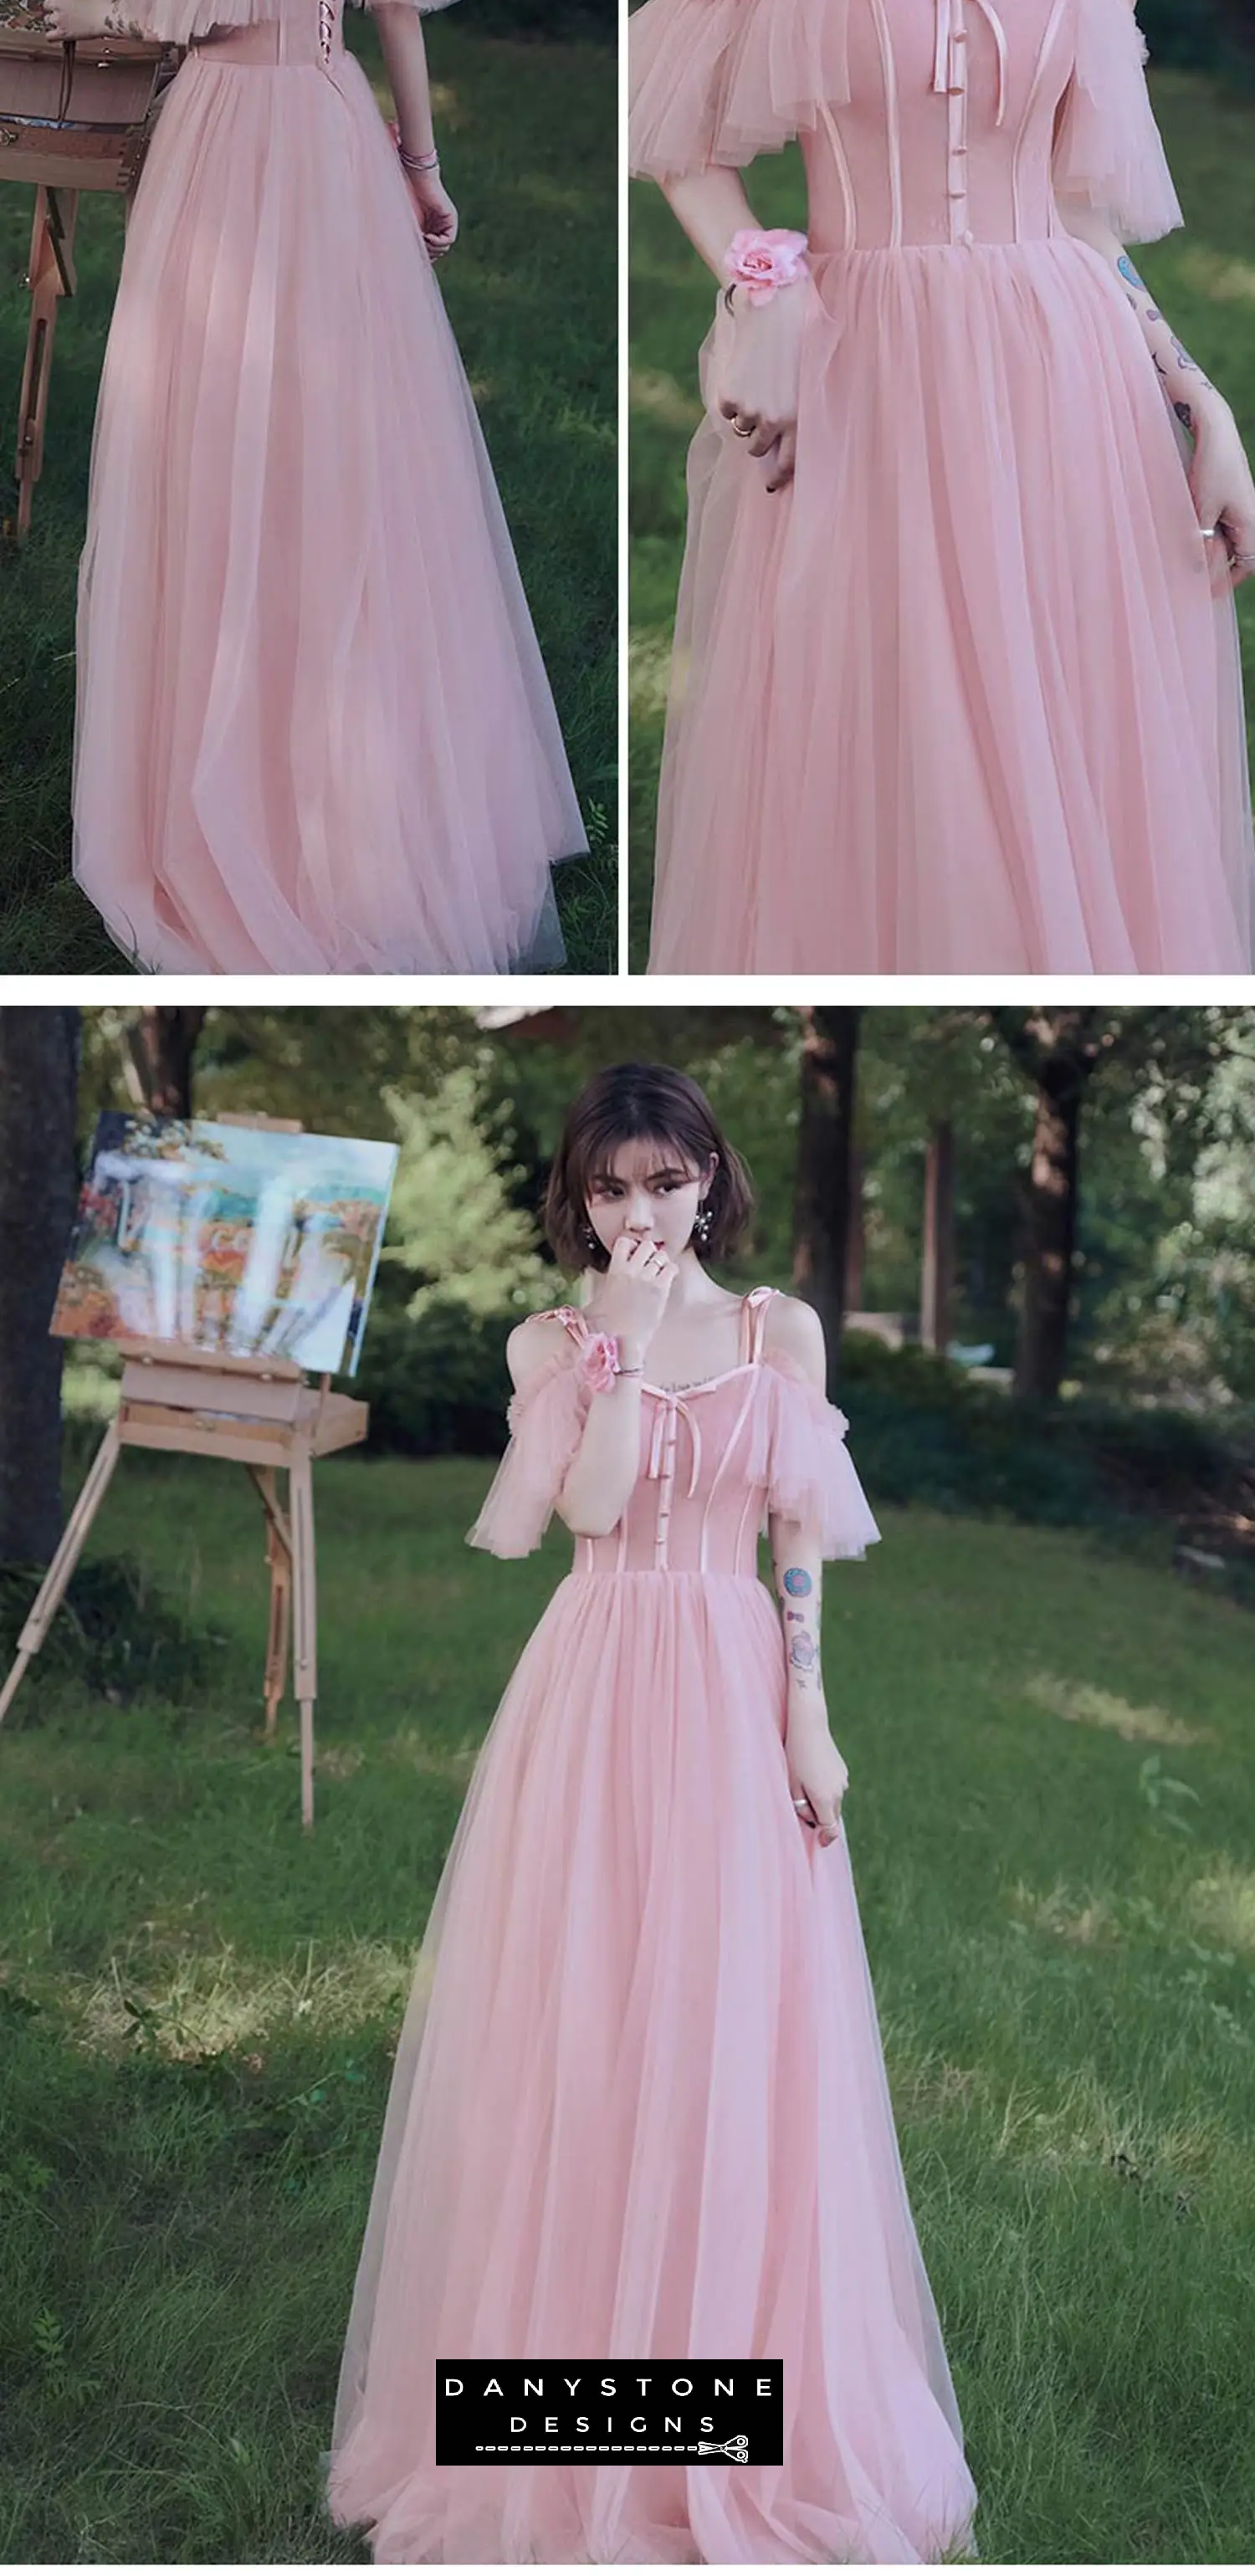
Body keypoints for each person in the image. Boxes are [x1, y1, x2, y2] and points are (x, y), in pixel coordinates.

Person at [325, 1062, 978, 2567]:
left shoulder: (781, 1330)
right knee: (583, 2020)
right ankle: (569, 2404)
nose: (642, 1211)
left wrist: (809, 1710)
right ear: (581, 1196)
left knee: (737, 2020)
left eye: (666, 1180)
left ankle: (732, 2396)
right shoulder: (548, 1335)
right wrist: (611, 1348)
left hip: (734, 1673)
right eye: (612, 1187)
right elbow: (593, 1513)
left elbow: (801, 1524)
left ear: (709, 1175)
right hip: (598, 1670)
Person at [629, 0, 1255, 976]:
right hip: (866, 365)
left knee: (1061, 757)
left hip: (1064, 384)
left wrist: (1197, 400)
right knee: (871, 731)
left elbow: (1083, 217)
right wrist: (768, 292)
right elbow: (676, 134)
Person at [44, 0, 586, 975]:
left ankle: (235, 804)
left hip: (239, 134)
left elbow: (180, 14)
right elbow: (395, 6)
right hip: (335, 129)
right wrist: (420, 161)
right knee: (343, 457)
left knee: (219, 441)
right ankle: (349, 792)